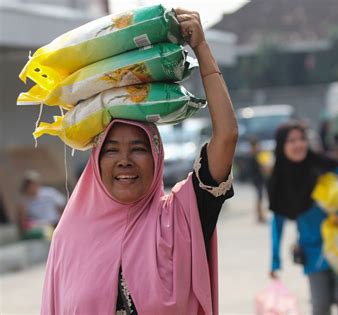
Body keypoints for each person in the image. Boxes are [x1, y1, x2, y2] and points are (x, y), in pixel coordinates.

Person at [40, 8, 238, 314]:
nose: (124, 161)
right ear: (96, 160)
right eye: (112, 150)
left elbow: (226, 137)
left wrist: (202, 50)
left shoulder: (181, 218)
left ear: (157, 156)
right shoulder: (70, 237)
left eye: (138, 148)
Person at [267, 121, 338, 315]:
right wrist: (275, 260)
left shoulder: (323, 162)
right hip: (312, 248)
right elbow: (277, 219)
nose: (298, 145)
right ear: (281, 146)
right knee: (320, 306)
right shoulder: (278, 180)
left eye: (302, 139)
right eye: (292, 141)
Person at [17, 170, 66, 238]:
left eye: (33, 183)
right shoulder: (24, 202)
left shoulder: (49, 193)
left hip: (55, 222)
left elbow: (62, 206)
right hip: (39, 227)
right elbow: (23, 221)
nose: (31, 186)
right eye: (29, 185)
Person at [248, 137, 267, 223]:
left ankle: (260, 215)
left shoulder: (254, 154)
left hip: (258, 178)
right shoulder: (254, 155)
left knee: (260, 197)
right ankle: (260, 216)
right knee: (259, 197)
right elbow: (261, 167)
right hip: (257, 179)